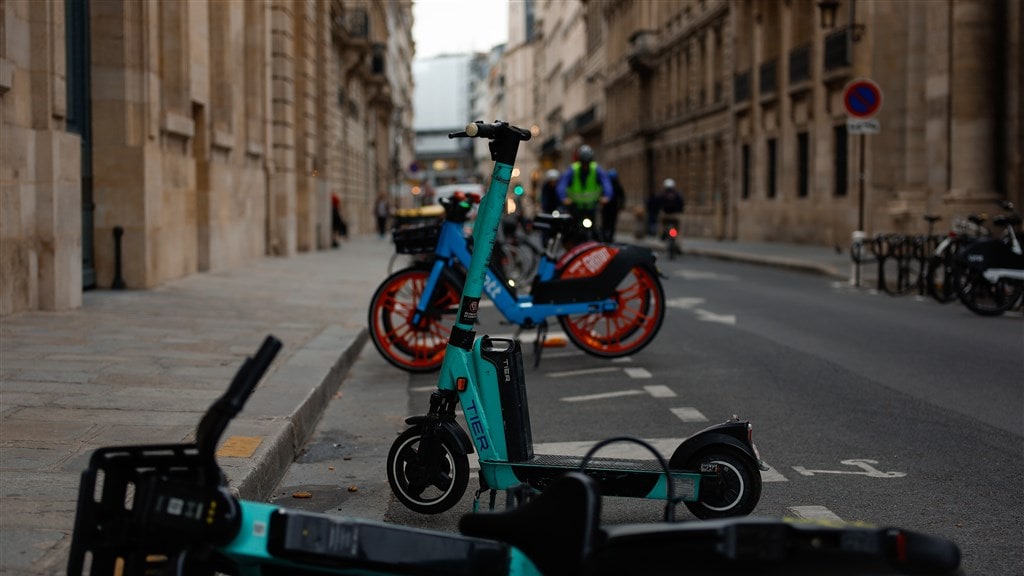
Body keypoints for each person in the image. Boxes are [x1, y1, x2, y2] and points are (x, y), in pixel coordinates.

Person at [556, 144, 613, 242]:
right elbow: (562, 184)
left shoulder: (596, 169)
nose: (585, 166)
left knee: (596, 231)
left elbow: (606, 183)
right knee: (573, 231)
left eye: (587, 163)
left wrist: (607, 196)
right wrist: (563, 198)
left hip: (591, 207)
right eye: (583, 163)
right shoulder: (573, 169)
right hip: (576, 207)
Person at [601, 168, 626, 242]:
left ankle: (608, 237)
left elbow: (622, 197)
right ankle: (606, 237)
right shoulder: (610, 186)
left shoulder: (614, 186)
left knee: (609, 224)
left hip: (612, 208)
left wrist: (621, 205)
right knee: (608, 224)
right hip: (609, 208)